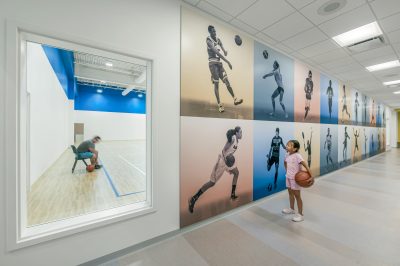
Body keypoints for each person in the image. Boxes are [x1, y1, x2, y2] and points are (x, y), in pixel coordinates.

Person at [188, 126, 242, 213]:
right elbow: (223, 150)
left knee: (236, 173)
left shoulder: (236, 140)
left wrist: (229, 161)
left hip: (228, 162)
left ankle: (232, 194)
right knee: (212, 183)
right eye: (240, 132)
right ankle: (194, 198)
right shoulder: (233, 138)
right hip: (222, 162)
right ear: (236, 133)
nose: (241, 134)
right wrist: (226, 159)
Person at [206, 25, 243, 113]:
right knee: (217, 84)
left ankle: (235, 99)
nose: (215, 33)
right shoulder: (208, 41)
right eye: (213, 32)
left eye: (215, 31)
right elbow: (217, 53)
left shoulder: (218, 39)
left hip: (219, 64)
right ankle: (220, 105)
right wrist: (228, 61)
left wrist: (225, 51)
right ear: (210, 32)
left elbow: (222, 47)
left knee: (227, 81)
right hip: (212, 64)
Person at [282, 140, 312, 222]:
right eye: (287, 144)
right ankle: (291, 209)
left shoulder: (297, 156)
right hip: (288, 177)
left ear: (295, 149)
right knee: (290, 193)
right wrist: (287, 171)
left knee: (297, 196)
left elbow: (305, 165)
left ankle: (300, 215)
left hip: (295, 179)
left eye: (289, 145)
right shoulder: (287, 154)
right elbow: (285, 162)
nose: (287, 146)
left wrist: (311, 176)